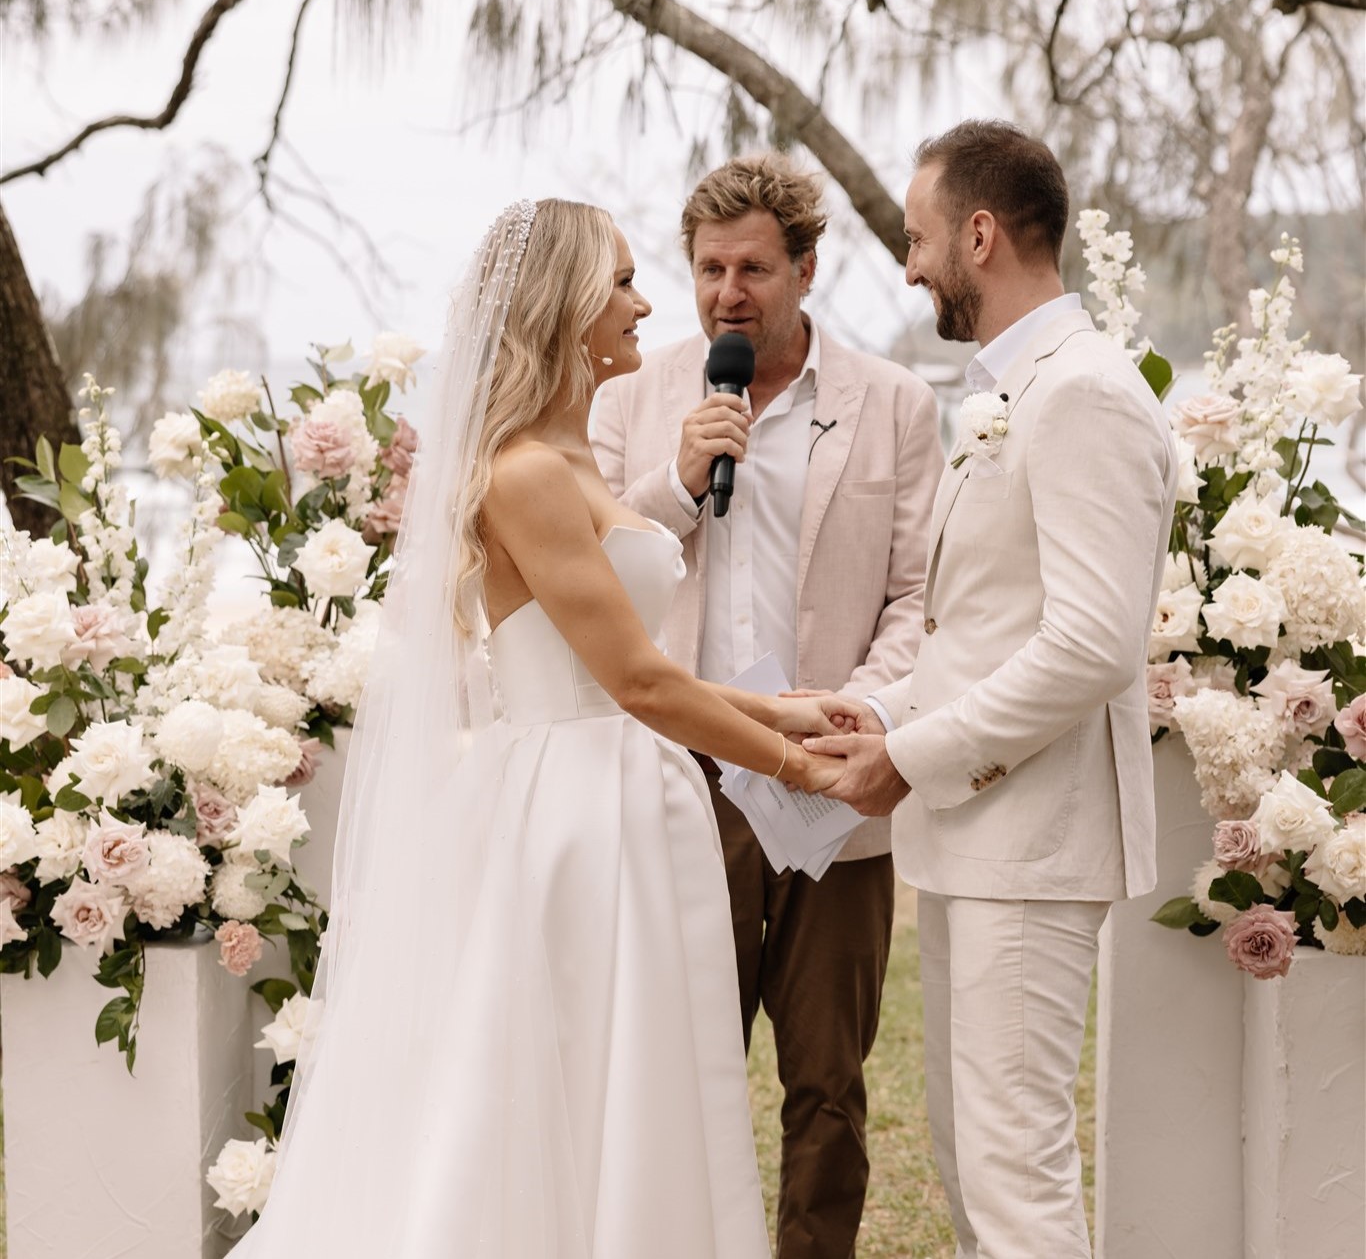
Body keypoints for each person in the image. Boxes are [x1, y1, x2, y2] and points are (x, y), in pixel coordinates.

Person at [231, 198, 853, 1258]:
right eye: (619, 281)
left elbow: (630, 669)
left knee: (637, 1073)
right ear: (563, 303)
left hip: (623, 794)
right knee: (558, 1073)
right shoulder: (523, 474)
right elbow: (637, 683)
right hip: (573, 817)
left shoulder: (576, 464)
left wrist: (783, 704)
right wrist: (801, 762)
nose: (646, 302)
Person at [806, 121, 1178, 1259]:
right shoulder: (1021, 391)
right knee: (974, 1164)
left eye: (918, 241)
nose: (909, 267)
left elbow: (1090, 643)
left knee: (1015, 1176)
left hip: (1031, 842)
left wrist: (907, 758)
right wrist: (879, 712)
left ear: (980, 233)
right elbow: (983, 628)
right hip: (979, 835)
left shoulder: (1081, 395)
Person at [592, 154, 943, 1258]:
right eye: (706, 268)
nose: (725, 293)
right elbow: (591, 570)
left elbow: (921, 592)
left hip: (834, 775)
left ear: (804, 267)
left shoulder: (894, 401)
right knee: (664, 1064)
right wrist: (679, 483)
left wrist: (865, 709)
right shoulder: (631, 399)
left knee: (829, 1080)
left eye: (751, 267)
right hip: (679, 776)